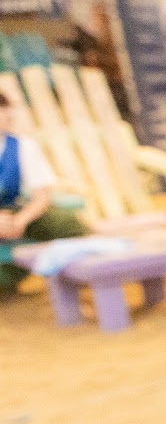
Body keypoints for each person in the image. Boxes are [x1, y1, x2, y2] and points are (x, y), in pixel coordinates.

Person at [0, 95, 90, 297]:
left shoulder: (22, 146)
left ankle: (83, 277)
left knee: (65, 224)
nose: (6, 116)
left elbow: (41, 196)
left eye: (6, 109)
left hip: (11, 214)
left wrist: (20, 221)